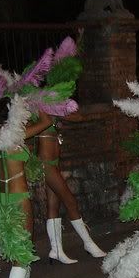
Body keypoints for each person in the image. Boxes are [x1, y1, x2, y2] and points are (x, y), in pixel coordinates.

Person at [0, 97, 52, 278]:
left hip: (1, 201)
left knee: (19, 249)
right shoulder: (14, 136)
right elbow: (47, 121)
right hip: (18, 199)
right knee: (23, 250)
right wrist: (38, 99)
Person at [36, 113, 107, 264]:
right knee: (70, 201)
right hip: (45, 164)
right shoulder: (37, 107)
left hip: (53, 162)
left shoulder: (51, 108)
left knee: (53, 205)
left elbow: (77, 117)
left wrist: (59, 111)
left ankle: (56, 251)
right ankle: (88, 243)